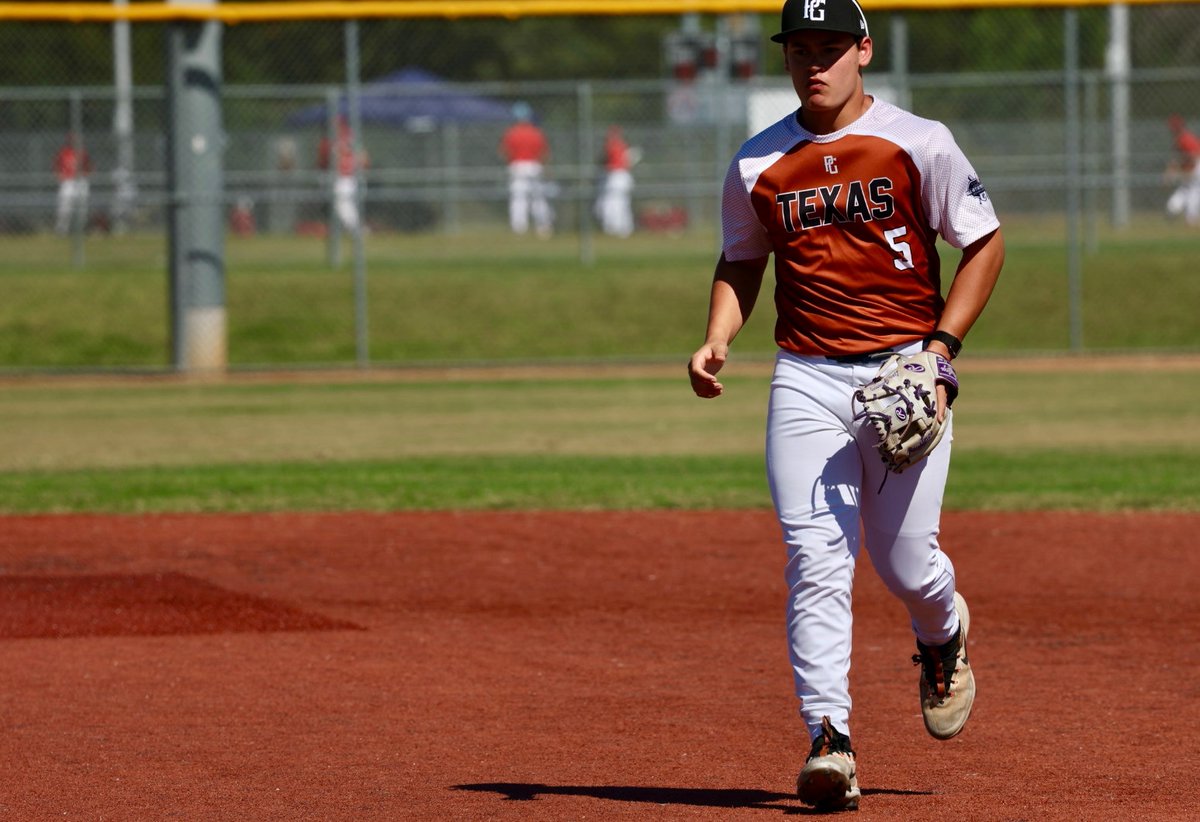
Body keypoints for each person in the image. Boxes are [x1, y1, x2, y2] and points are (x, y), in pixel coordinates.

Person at [686, 0, 1005, 811]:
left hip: (904, 372)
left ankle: (943, 631)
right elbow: (741, 257)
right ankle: (829, 737)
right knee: (817, 559)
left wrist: (942, 351)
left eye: (831, 47)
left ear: (864, 49)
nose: (815, 63)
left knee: (903, 565)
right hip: (806, 377)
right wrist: (719, 334)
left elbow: (984, 240)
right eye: (800, 49)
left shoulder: (918, 139)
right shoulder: (759, 162)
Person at [499, 102, 553, 237]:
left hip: (517, 166)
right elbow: (544, 153)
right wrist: (545, 167)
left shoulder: (511, 133)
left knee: (518, 199)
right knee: (538, 199)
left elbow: (504, 152)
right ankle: (543, 227)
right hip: (535, 166)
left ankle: (519, 229)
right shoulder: (536, 132)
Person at [317, 115, 367, 234]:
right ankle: (351, 229)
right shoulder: (351, 137)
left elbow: (322, 161)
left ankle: (356, 230)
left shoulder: (331, 140)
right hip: (351, 175)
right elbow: (364, 159)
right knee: (344, 204)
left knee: (343, 205)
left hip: (343, 176)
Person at [595, 125, 636, 237]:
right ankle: (624, 229)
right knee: (621, 204)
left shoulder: (613, 145)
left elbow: (603, 160)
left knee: (612, 204)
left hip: (616, 176)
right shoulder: (623, 145)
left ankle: (614, 228)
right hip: (622, 176)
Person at [1165, 114, 1200, 226]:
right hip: (1189, 172)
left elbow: (1195, 157)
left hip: (1196, 170)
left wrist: (1188, 173)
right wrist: (1170, 173)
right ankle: (1178, 210)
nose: (1172, 130)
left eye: (1175, 128)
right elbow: (1174, 161)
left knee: (1193, 194)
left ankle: (1191, 220)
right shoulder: (1179, 140)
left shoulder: (1186, 139)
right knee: (1185, 193)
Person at [54, 133, 91, 235]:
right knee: (65, 207)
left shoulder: (83, 152)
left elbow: (88, 167)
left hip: (81, 181)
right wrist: (60, 176)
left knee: (83, 207)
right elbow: (57, 167)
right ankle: (62, 229)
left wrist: (85, 176)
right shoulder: (64, 153)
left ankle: (81, 229)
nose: (75, 142)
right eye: (72, 140)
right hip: (68, 181)